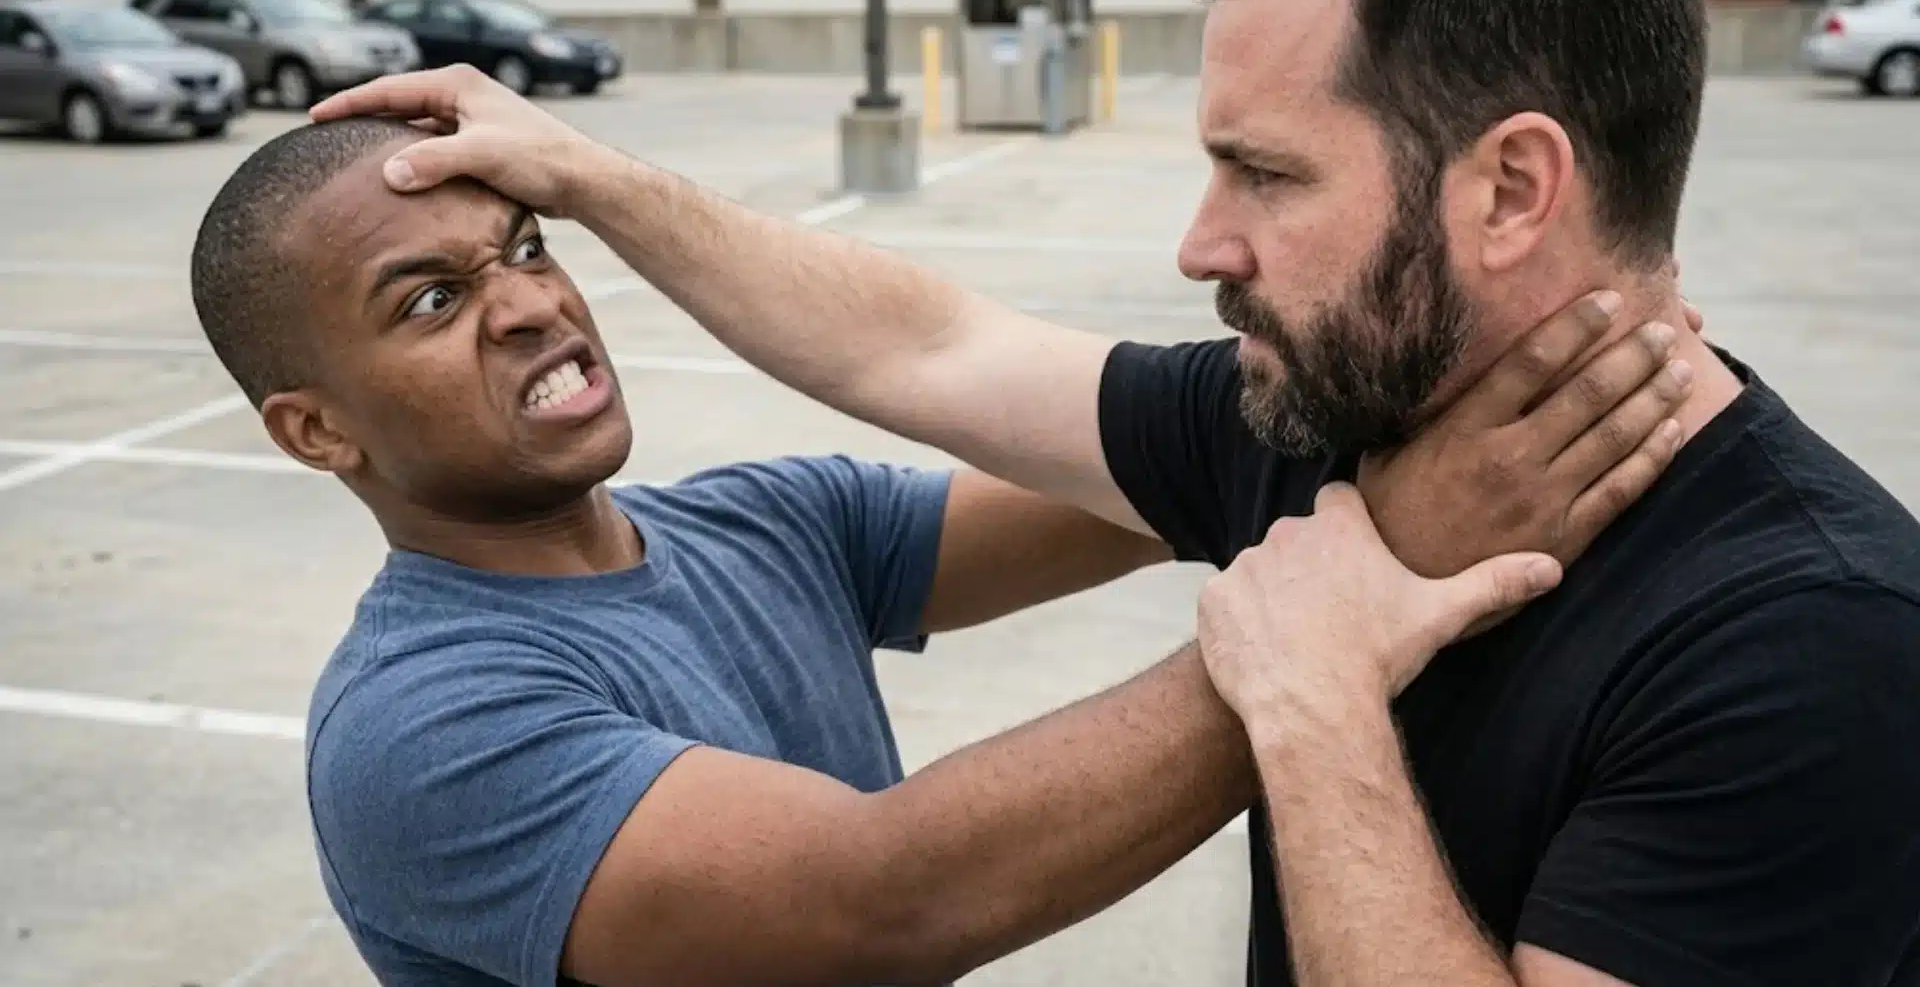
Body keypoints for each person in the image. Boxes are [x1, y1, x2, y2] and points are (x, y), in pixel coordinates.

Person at [313, 0, 1920, 985]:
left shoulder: (1814, 639)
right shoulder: (1325, 418)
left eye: (1266, 175)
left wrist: (1314, 693)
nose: (1200, 244)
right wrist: (590, 179)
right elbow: (923, 345)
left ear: (1510, 190)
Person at [190, 113, 1689, 987]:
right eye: (430, 302)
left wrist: (1389, 352)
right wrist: (1342, 621)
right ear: (316, 432)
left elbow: (1148, 474)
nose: (527, 304)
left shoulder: (753, 524)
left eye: (524, 249)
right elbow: (885, 899)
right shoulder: (419, 727)